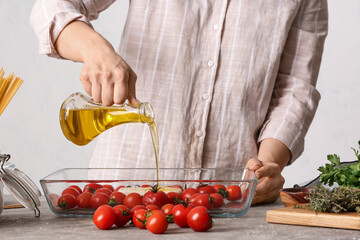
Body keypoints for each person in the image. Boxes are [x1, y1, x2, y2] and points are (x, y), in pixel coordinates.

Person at [30, 0, 328, 204]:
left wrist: (266, 166)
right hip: (122, 194)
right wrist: (95, 50)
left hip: (230, 197)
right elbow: (51, 7)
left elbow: (295, 86)